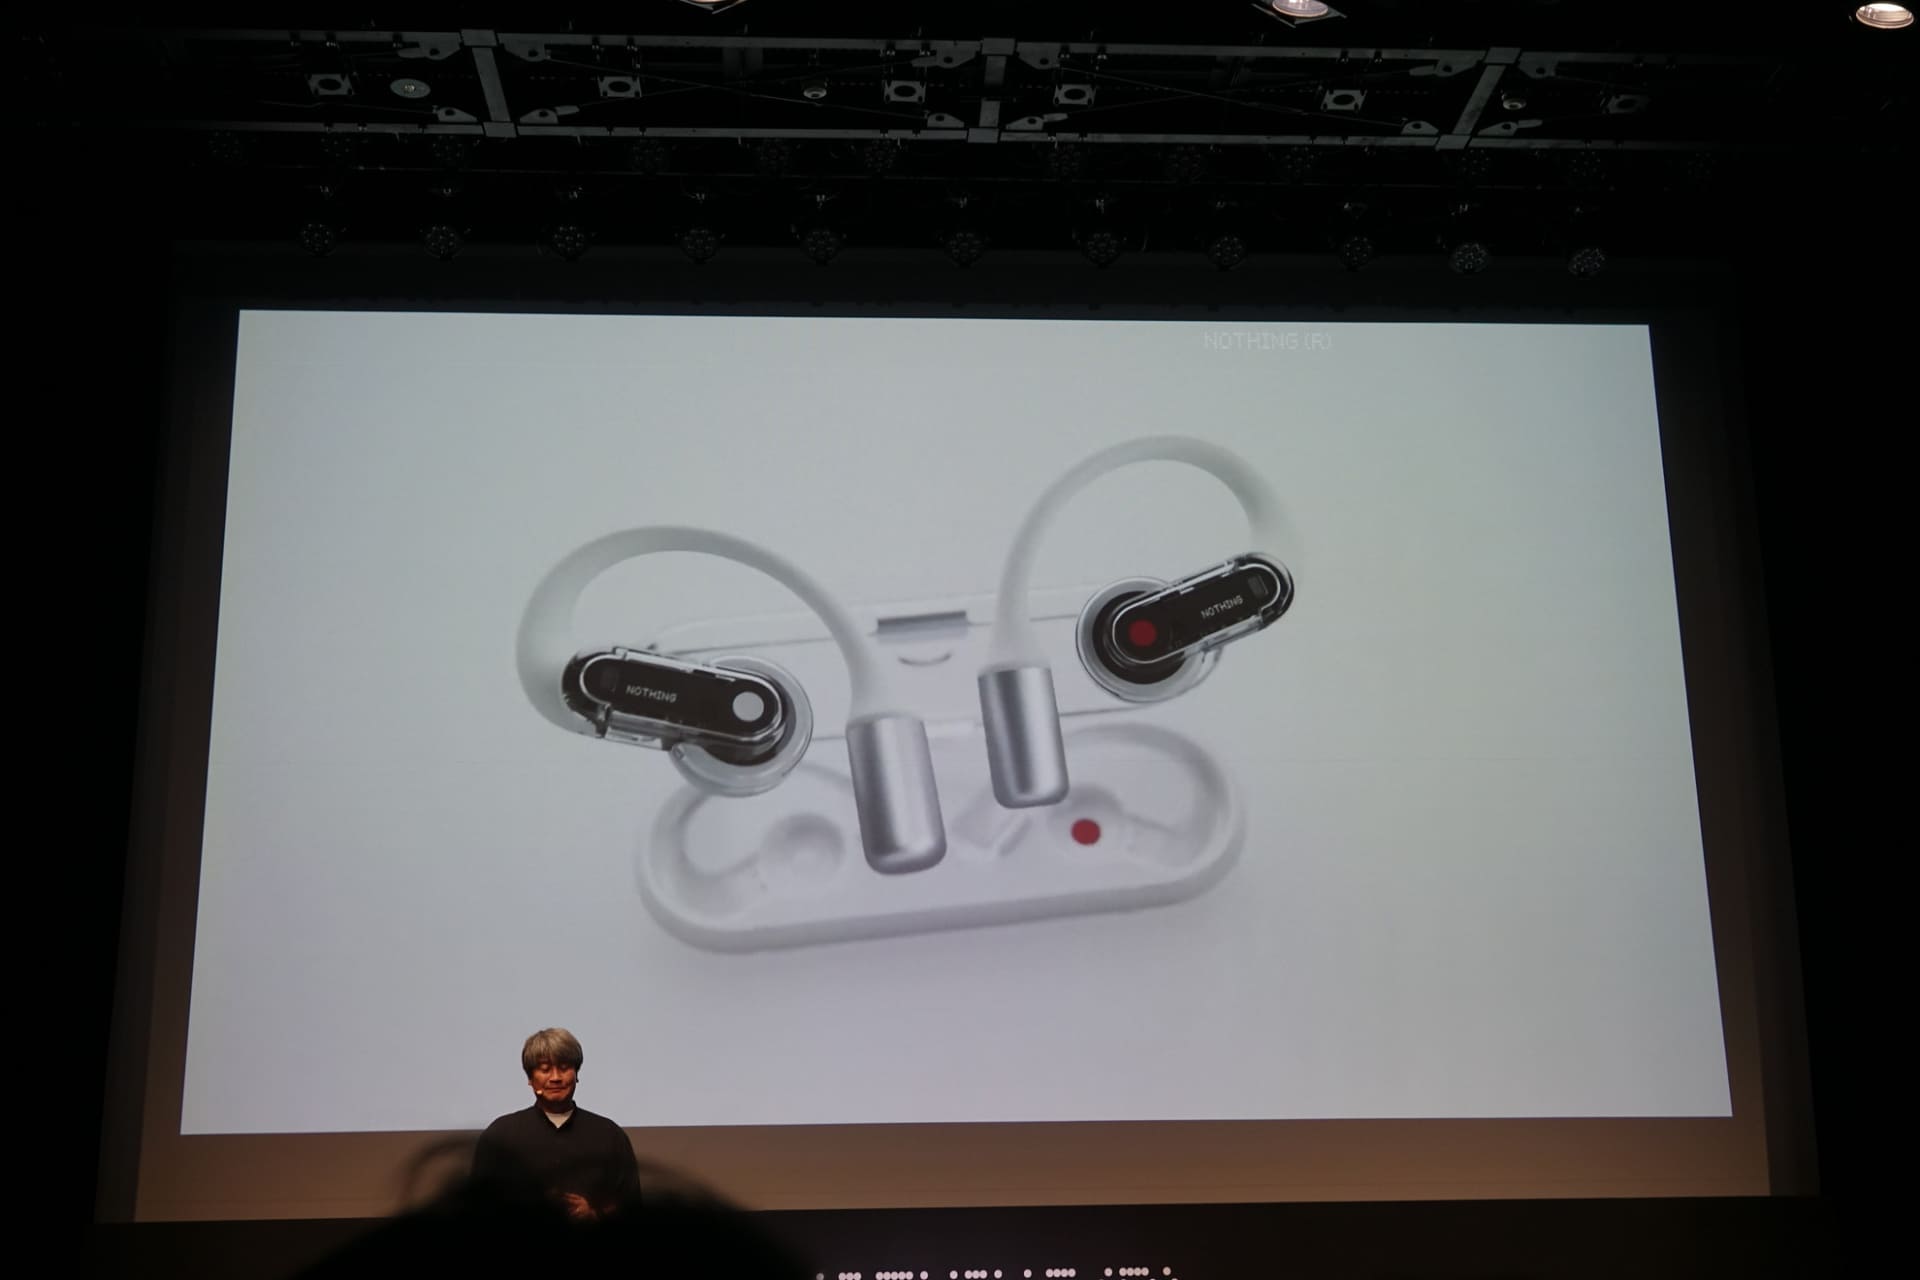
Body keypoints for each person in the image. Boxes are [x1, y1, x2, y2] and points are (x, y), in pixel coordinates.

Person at [471, 1027, 641, 1222]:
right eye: (545, 1069)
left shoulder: (609, 1135)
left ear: (576, 1074)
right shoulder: (500, 1135)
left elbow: (632, 1205)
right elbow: (476, 1206)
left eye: (564, 1068)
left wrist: (595, 1214)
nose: (555, 1078)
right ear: (530, 1078)